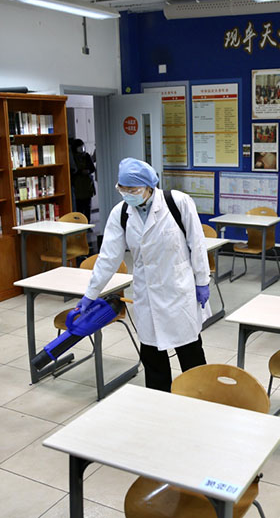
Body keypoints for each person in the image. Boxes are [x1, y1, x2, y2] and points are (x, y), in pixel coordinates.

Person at [75, 158, 211, 392]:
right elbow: (108, 257)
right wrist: (90, 294)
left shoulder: (177, 202)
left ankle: (201, 399)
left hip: (178, 290)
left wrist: (202, 281)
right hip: (146, 294)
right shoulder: (121, 213)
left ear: (150, 186)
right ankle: (158, 404)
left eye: (133, 190)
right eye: (123, 189)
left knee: (190, 354)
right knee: (152, 357)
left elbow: (197, 244)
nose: (128, 194)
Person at [69, 138, 96, 222]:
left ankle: (88, 223)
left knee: (87, 206)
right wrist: (80, 171)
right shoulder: (73, 158)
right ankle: (80, 223)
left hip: (87, 185)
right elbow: (72, 171)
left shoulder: (86, 156)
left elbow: (92, 168)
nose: (81, 149)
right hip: (78, 186)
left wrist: (87, 171)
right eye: (79, 147)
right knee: (79, 207)